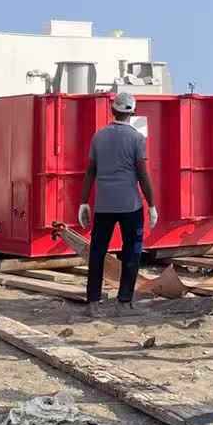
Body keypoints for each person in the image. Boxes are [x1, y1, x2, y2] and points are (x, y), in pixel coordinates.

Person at [78, 91, 157, 316]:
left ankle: (93, 303)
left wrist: (83, 202)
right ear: (133, 112)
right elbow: (142, 173)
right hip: (130, 205)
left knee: (97, 253)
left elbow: (90, 171)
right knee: (132, 253)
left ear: (113, 110)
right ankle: (124, 303)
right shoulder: (137, 138)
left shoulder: (98, 137)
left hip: (103, 205)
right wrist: (151, 204)